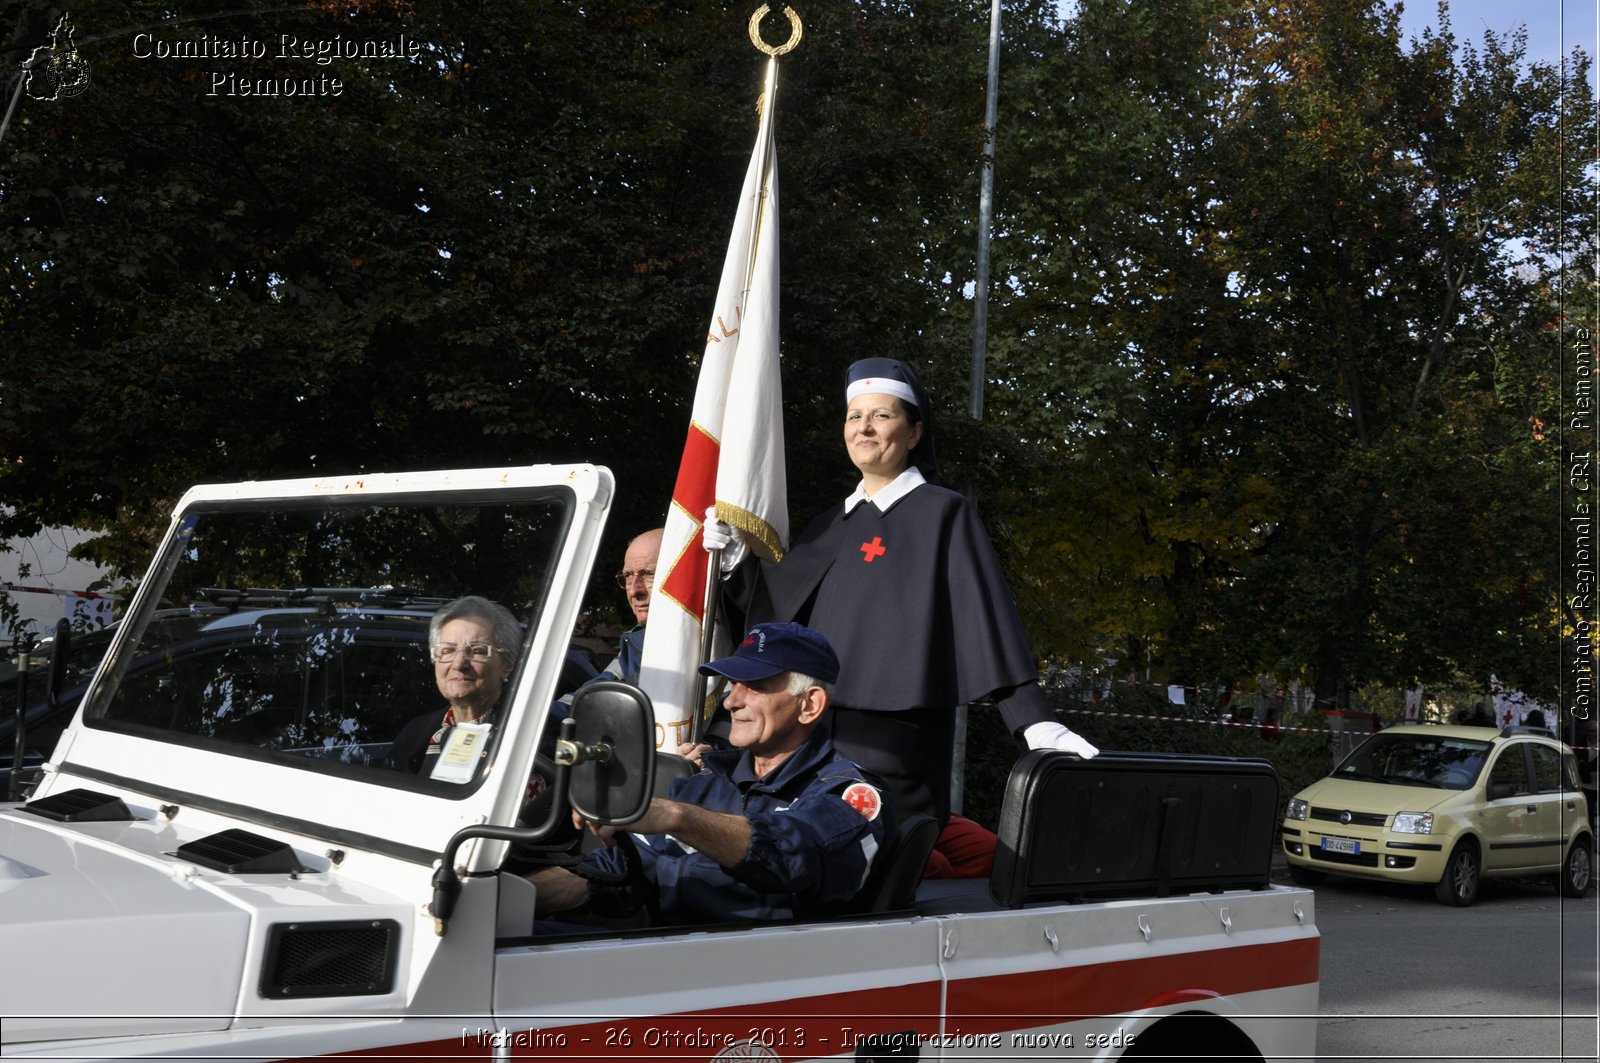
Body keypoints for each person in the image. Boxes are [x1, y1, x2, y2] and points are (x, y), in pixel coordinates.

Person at [700, 357, 1096, 877]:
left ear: (914, 433)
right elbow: (774, 619)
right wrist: (733, 565)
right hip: (809, 744)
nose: (863, 427)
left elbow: (984, 615)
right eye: (853, 416)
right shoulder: (829, 524)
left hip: (891, 747)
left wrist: (1033, 719)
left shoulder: (941, 512)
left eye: (881, 415)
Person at [528, 622, 892, 925]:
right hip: (667, 972)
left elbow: (794, 858)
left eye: (756, 687)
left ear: (809, 704)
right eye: (733, 685)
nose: (732, 701)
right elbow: (615, 875)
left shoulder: (849, 794)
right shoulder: (704, 787)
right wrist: (509, 901)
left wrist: (676, 817)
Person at [388, 595, 522, 777]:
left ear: (508, 664)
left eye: (477, 651)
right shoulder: (416, 732)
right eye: (448, 650)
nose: (459, 664)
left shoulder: (523, 736)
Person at [596, 528, 661, 686]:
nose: (633, 590)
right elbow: (593, 693)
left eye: (649, 574)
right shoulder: (634, 645)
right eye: (627, 576)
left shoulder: (716, 645)